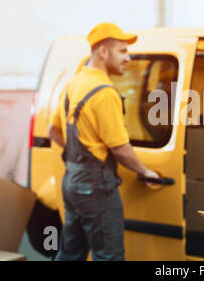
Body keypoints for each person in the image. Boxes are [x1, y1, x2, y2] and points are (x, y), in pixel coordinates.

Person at [48, 22, 160, 261]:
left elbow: (53, 131)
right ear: (103, 51)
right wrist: (145, 171)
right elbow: (120, 148)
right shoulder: (104, 92)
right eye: (122, 51)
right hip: (97, 189)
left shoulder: (73, 85)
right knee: (109, 255)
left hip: (72, 183)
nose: (127, 58)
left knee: (70, 253)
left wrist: (80, 158)